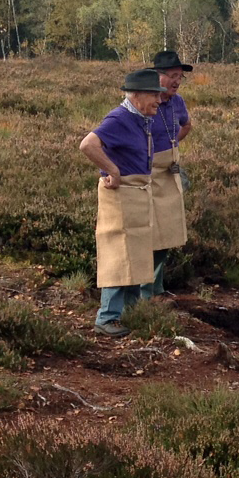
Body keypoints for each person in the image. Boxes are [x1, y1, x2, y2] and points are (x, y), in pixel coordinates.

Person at [81, 68, 162, 335]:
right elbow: (88, 145)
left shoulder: (141, 118)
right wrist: (112, 170)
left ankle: (128, 314)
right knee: (118, 253)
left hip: (136, 193)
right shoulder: (119, 118)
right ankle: (106, 318)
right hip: (121, 194)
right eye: (154, 95)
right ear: (136, 95)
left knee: (135, 253)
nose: (159, 101)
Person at [142, 49, 193, 299]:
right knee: (147, 232)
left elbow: (187, 125)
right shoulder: (145, 101)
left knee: (167, 233)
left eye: (180, 77)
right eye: (173, 75)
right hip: (144, 175)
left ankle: (157, 287)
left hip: (168, 174)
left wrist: (173, 145)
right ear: (157, 76)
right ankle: (142, 291)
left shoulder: (178, 102)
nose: (176, 81)